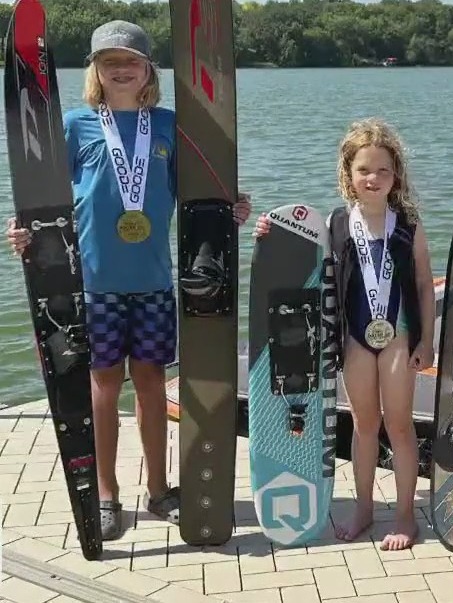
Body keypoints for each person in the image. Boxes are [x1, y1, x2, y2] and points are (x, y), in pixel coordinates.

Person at [5, 20, 253, 540]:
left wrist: (234, 207)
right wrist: (24, 232)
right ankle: (107, 491)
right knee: (102, 388)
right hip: (92, 285)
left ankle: (160, 490)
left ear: (148, 71)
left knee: (150, 387)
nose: (121, 69)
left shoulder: (167, 126)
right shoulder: (74, 125)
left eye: (132, 61)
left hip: (154, 285)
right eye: (109, 61)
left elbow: (199, 193)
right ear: (95, 69)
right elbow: (45, 201)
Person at [253, 118, 435, 551]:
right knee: (365, 425)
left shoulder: (408, 224)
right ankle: (365, 509)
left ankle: (406, 516)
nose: (374, 178)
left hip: (398, 335)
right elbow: (296, 258)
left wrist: (426, 340)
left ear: (396, 176)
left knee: (400, 426)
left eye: (383, 170)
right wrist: (269, 232)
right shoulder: (335, 224)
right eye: (364, 170)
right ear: (348, 175)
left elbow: (426, 285)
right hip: (354, 338)